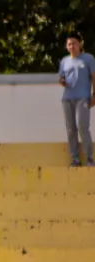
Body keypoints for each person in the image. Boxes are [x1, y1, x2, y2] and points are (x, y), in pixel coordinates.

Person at [58, 31, 95, 167]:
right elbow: (61, 78)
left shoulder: (88, 59)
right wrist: (62, 81)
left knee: (82, 127)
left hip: (83, 98)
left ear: (80, 44)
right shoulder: (64, 61)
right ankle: (75, 159)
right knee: (70, 129)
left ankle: (89, 158)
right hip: (67, 98)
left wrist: (94, 94)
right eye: (69, 44)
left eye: (74, 43)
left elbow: (94, 76)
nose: (71, 46)